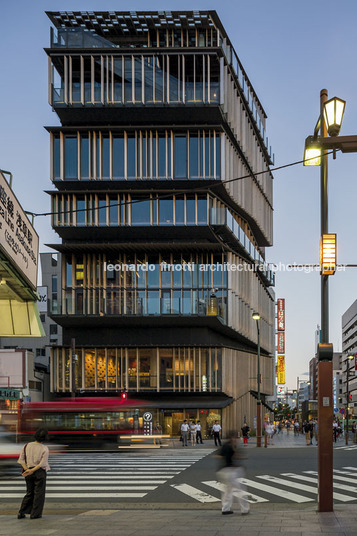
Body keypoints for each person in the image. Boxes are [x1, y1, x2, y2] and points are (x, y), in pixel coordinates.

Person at [17, 428, 50, 519]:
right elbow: (42, 463)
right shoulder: (44, 448)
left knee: (29, 492)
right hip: (39, 472)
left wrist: (27, 469)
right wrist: (33, 470)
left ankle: (21, 512)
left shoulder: (26, 445)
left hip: (27, 471)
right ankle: (35, 514)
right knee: (39, 493)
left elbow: (21, 460)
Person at [217, 431, 250, 515]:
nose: (239, 439)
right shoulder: (230, 446)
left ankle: (225, 509)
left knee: (227, 490)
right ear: (233, 438)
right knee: (240, 489)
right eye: (237, 437)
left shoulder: (226, 445)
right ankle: (245, 509)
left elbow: (219, 455)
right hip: (229, 472)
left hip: (222, 471)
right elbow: (231, 459)